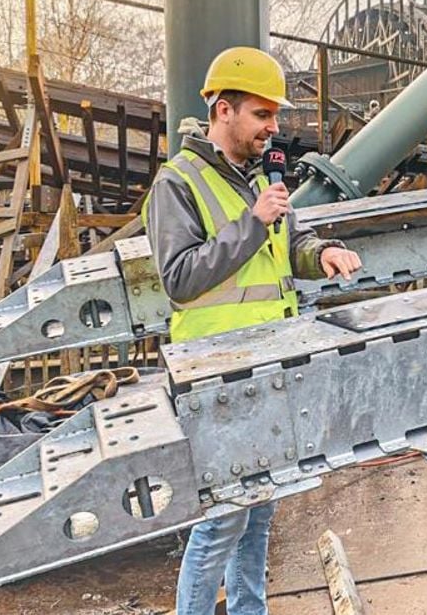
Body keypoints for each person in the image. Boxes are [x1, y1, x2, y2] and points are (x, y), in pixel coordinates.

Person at [143, 46, 363, 615]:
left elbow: (289, 247)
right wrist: (253, 220)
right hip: (218, 373)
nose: (274, 128)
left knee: (260, 511)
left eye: (275, 116)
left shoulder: (256, 180)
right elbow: (180, 278)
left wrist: (325, 253)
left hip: (269, 366)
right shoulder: (179, 183)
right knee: (222, 521)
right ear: (223, 109)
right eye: (262, 115)